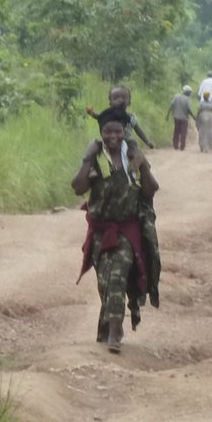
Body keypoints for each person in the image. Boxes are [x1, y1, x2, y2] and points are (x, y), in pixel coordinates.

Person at [74, 109, 160, 354]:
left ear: (124, 133)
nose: (113, 136)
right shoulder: (96, 159)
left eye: (118, 131)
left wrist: (142, 165)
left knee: (117, 276)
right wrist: (85, 160)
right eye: (108, 131)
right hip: (101, 232)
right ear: (101, 133)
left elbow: (151, 189)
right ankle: (108, 326)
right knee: (105, 281)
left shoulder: (132, 157)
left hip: (127, 231)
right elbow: (78, 187)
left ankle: (115, 331)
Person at [88, 85, 154, 149]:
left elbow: (138, 130)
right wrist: (92, 113)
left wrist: (147, 142)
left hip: (126, 142)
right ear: (110, 102)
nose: (120, 100)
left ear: (129, 102)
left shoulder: (130, 117)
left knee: (133, 145)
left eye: (124, 98)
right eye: (115, 98)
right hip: (108, 141)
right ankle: (89, 160)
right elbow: (100, 117)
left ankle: (135, 159)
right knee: (93, 145)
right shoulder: (107, 115)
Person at [165, 85, 195, 150]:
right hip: (184, 118)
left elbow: (171, 106)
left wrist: (167, 115)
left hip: (176, 117)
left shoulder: (176, 96)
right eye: (189, 92)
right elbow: (188, 109)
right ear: (186, 92)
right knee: (183, 132)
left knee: (176, 131)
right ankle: (182, 146)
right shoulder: (187, 99)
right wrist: (193, 116)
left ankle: (175, 145)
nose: (190, 93)